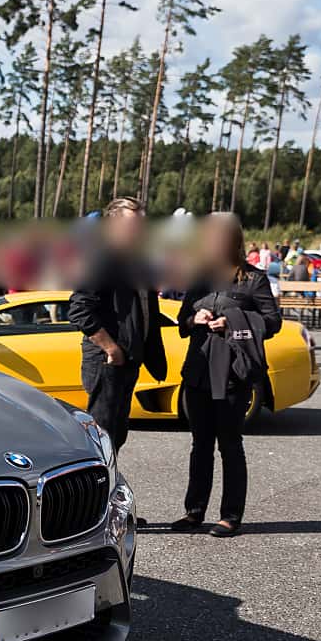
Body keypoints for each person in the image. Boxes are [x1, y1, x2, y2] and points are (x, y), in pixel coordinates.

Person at [170, 214, 282, 538]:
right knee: (199, 444)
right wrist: (195, 318)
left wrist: (231, 322)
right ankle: (194, 512)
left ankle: (231, 515)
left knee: (230, 444)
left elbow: (272, 322)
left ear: (234, 240)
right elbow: (182, 321)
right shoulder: (200, 276)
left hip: (233, 373)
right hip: (198, 371)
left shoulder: (253, 279)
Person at [68, 197, 167, 453]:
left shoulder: (137, 261)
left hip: (129, 359)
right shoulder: (102, 258)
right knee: (102, 436)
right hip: (107, 360)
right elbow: (80, 310)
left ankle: (109, 490)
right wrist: (111, 348)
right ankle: (97, 491)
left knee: (117, 434)